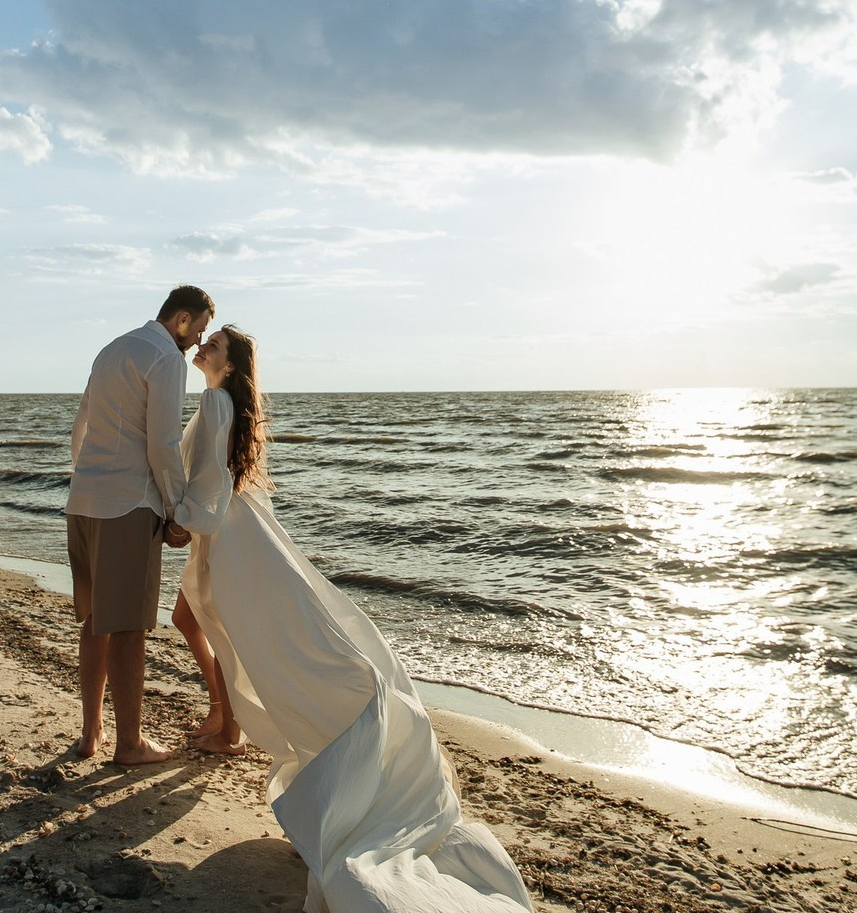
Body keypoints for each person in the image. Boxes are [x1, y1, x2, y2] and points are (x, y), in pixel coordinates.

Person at [173, 325, 534, 913]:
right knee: (240, 633)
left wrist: (178, 521)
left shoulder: (216, 402)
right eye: (204, 341)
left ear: (231, 365)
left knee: (257, 640)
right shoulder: (221, 403)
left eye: (214, 345)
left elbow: (211, 488)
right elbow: (218, 483)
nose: (203, 348)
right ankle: (228, 721)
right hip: (238, 536)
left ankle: (249, 725)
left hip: (234, 541)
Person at [66, 284, 215, 765]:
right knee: (129, 628)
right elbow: (163, 444)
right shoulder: (165, 358)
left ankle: (91, 733)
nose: (199, 341)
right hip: (128, 505)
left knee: (96, 621)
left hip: (84, 500)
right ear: (183, 319)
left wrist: (88, 477)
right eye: (200, 330)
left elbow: (82, 424)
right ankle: (129, 743)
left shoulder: (113, 348)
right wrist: (176, 511)